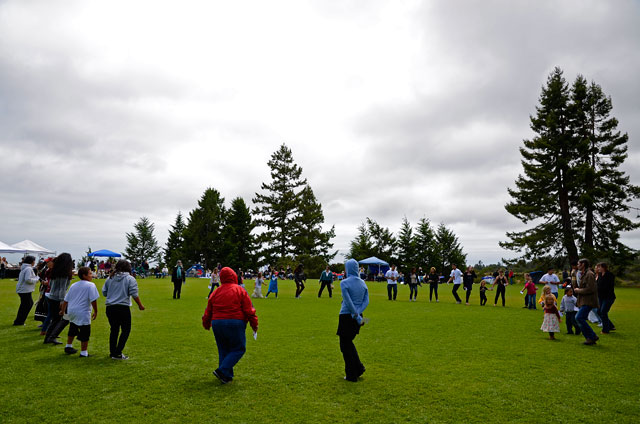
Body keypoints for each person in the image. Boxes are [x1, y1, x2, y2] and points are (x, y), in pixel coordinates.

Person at [202, 267, 258, 384]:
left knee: (223, 349)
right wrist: (254, 324)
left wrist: (206, 323)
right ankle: (222, 371)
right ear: (233, 276)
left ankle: (226, 376)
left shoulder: (215, 292)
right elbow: (249, 310)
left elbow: (208, 311)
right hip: (235, 322)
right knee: (239, 348)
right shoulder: (240, 290)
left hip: (217, 323)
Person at [102, 260, 145, 359]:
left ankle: (113, 352)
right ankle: (118, 352)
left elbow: (104, 292)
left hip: (110, 307)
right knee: (126, 330)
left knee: (114, 330)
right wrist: (140, 305)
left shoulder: (110, 278)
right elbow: (134, 293)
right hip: (123, 307)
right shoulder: (130, 279)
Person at [337, 259, 369, 382]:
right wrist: (358, 313)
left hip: (347, 316)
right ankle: (359, 368)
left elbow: (348, 301)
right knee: (349, 343)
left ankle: (351, 374)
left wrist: (355, 315)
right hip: (357, 315)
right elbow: (366, 301)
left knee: (345, 346)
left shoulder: (344, 283)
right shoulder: (362, 283)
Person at [60, 267, 99, 357]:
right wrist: (96, 311)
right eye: (89, 273)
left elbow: (66, 300)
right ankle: (84, 352)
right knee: (85, 331)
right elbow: (93, 300)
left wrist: (62, 311)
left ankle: (68, 346)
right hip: (83, 311)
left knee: (73, 328)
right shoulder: (91, 285)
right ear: (84, 275)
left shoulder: (74, 285)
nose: (91, 275)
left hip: (72, 311)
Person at [44, 253, 74, 344]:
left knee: (55, 319)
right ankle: (52, 337)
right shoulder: (64, 273)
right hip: (58, 298)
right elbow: (62, 288)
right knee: (65, 319)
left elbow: (50, 284)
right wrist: (62, 301)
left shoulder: (54, 271)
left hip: (51, 296)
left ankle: (48, 337)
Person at [573, 258, 600, 345]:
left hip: (589, 301)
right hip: (584, 300)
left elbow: (591, 289)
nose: (577, 266)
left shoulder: (589, 274)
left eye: (578, 264)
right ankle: (591, 337)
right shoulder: (583, 274)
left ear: (583, 264)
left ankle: (591, 336)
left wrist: (578, 290)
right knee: (580, 318)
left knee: (579, 317)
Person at [13, 255, 39, 326]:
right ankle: (19, 321)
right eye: (34, 261)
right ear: (31, 261)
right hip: (24, 290)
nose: (34, 262)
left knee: (26, 305)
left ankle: (19, 321)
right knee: (27, 305)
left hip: (23, 289)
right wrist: (37, 279)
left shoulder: (25, 267)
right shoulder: (28, 269)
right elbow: (28, 279)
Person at [596, 263, 616, 334]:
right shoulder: (600, 275)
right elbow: (597, 284)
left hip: (608, 297)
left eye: (599, 267)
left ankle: (605, 330)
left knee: (603, 312)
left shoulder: (609, 275)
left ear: (603, 267)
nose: (598, 269)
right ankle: (611, 326)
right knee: (599, 311)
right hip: (601, 297)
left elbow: (608, 286)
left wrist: (599, 288)